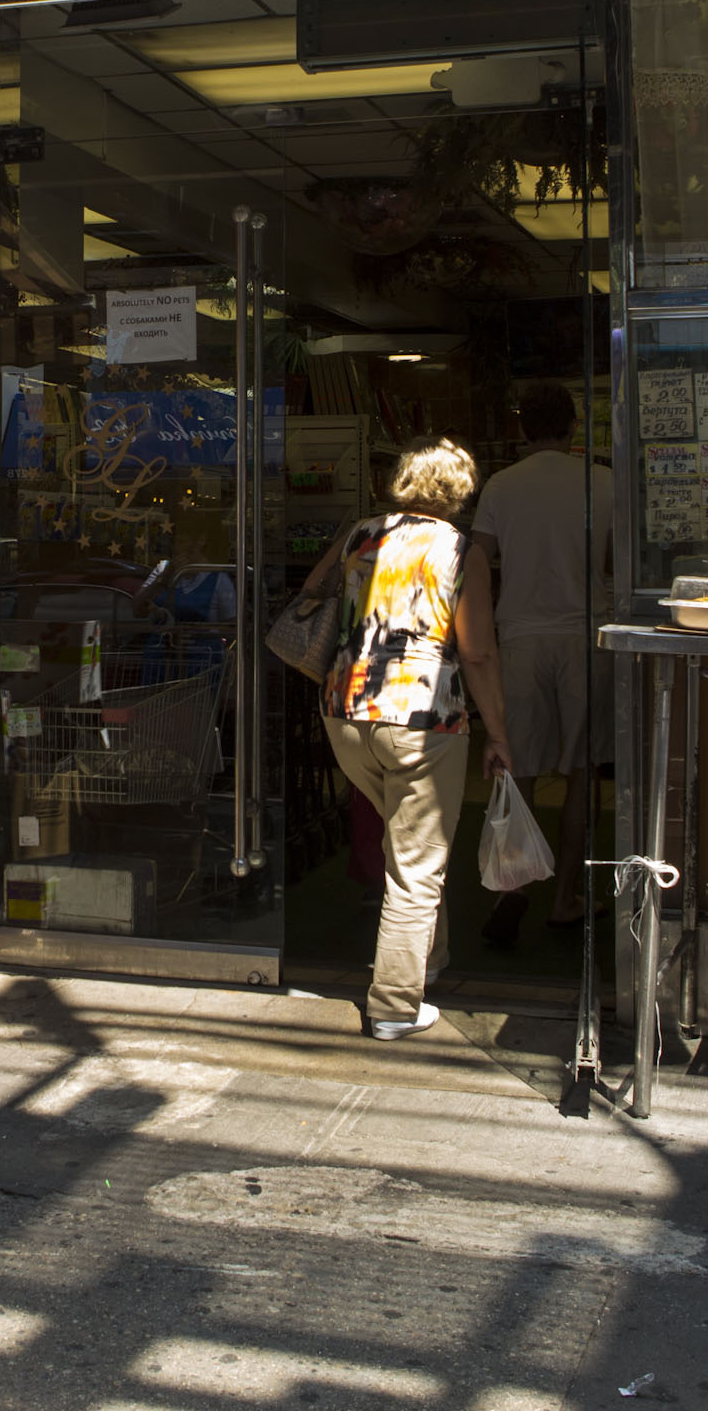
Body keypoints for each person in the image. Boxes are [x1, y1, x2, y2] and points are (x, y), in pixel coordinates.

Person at [301, 439, 512, 1040]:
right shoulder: (462, 551)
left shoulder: (360, 534)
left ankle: (427, 962)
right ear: (460, 492)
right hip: (423, 719)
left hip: (345, 710)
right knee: (418, 863)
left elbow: (313, 592)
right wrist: (499, 733)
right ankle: (394, 1005)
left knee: (410, 845)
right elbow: (478, 653)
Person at [469, 382, 618, 941]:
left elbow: (478, 561)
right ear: (574, 426)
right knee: (582, 772)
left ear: (522, 429)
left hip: (520, 637)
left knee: (519, 768)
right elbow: (615, 562)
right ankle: (566, 897)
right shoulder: (602, 481)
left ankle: (513, 887)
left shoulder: (502, 485)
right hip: (585, 636)